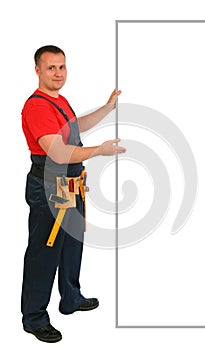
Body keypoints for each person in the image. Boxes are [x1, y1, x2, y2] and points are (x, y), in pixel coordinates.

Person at [21, 45, 125, 343]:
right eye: (51, 67)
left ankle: (71, 297)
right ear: (38, 70)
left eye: (62, 67)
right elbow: (58, 150)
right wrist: (99, 151)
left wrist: (106, 109)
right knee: (45, 250)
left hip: (72, 185)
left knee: (71, 244)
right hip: (50, 186)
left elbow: (74, 128)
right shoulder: (37, 106)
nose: (58, 73)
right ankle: (34, 317)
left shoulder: (60, 101)